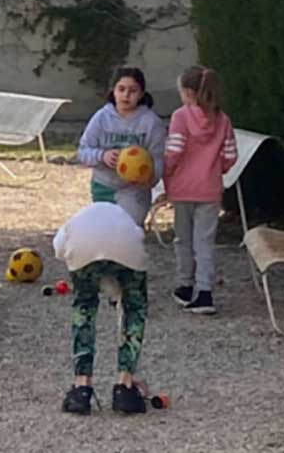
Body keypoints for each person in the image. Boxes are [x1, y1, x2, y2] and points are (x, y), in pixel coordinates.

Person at [53, 202, 151, 415]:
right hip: (128, 248)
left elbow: (59, 249)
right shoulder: (124, 219)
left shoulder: (73, 223)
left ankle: (81, 387)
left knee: (85, 309)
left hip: (83, 248)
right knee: (134, 309)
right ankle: (125, 387)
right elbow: (139, 239)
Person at [165, 65, 237, 315]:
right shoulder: (223, 119)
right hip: (210, 189)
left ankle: (185, 285)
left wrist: (167, 174)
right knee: (204, 242)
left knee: (182, 239)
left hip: (183, 188)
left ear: (187, 92)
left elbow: (174, 151)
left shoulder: (180, 117)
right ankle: (205, 292)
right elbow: (230, 156)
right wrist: (216, 169)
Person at [77, 67, 166, 225]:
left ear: (141, 94)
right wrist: (102, 156)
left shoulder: (151, 123)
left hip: (135, 191)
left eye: (132, 90)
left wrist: (149, 178)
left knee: (127, 231)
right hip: (103, 186)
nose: (126, 95)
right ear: (113, 91)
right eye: (121, 89)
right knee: (104, 233)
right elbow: (83, 151)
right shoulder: (101, 118)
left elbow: (158, 159)